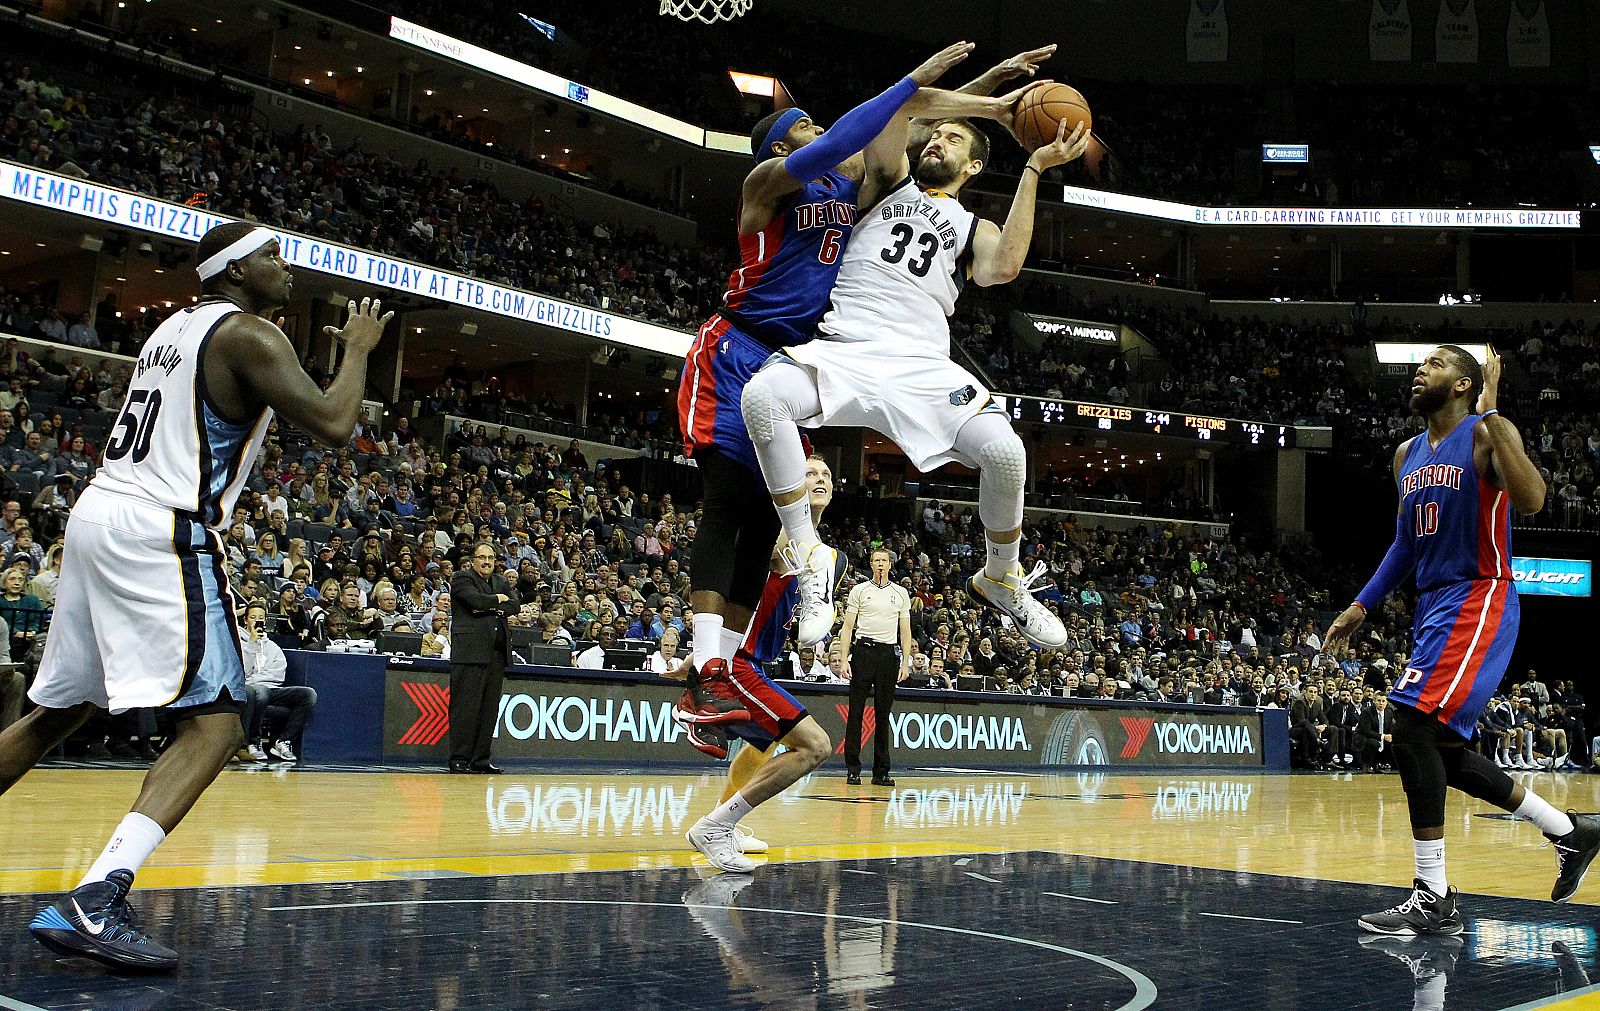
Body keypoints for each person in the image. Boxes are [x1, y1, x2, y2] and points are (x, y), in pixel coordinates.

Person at [0, 221, 390, 971]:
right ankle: (96, 899)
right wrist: (359, 352)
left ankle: (95, 897)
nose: (285, 265)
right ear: (235, 270)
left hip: (98, 513)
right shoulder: (249, 333)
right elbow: (336, 423)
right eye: (271, 254)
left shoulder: (169, 331)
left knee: (58, 713)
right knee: (218, 725)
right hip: (160, 526)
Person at [673, 40, 1038, 727]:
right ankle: (705, 663)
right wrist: (931, 87)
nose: (822, 131)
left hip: (804, 355)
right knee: (725, 502)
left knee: (764, 519)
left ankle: (724, 674)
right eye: (807, 127)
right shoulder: (768, 183)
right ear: (783, 146)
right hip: (737, 346)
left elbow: (908, 123)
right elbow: (863, 129)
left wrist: (985, 95)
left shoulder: (854, 194)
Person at [742, 71, 1088, 652]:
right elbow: (898, 112)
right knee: (762, 397)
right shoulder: (887, 182)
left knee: (1006, 453)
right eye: (937, 134)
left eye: (954, 139)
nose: (938, 141)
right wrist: (985, 101)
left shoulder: (973, 226)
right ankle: (806, 555)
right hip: (847, 346)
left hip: (923, 364)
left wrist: (1033, 168)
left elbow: (1003, 267)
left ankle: (1001, 576)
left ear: (974, 165)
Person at [1325, 344, 1600, 935]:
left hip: (1480, 595)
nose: (1419, 370)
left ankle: (1433, 895)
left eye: (1435, 364)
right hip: (1434, 605)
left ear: (1463, 384)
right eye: (1420, 364)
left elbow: (1533, 500)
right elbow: (1405, 544)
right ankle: (1569, 830)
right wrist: (1360, 605)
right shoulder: (1406, 455)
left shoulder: (1485, 435)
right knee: (1442, 751)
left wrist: (1494, 414)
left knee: (1411, 726)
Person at [678, 456, 841, 871]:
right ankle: (716, 826)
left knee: (761, 745)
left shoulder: (829, 556)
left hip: (757, 660)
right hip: (738, 661)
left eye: (825, 475)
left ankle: (722, 823)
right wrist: (704, 650)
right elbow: (735, 580)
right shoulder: (778, 532)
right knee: (815, 746)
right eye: (809, 472)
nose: (819, 479)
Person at [835, 547, 914, 786]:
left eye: (884, 560)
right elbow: (847, 627)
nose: (880, 564)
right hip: (863, 651)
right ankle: (853, 769)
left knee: (883, 713)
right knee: (856, 712)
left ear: (890, 565)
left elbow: (905, 632)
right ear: (871, 564)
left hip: (888, 654)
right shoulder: (859, 590)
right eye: (876, 560)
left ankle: (881, 771)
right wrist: (844, 658)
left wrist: (905, 662)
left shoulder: (900, 593)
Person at [449, 542, 519, 774]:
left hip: (496, 654)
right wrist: (497, 600)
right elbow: (475, 601)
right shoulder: (461, 578)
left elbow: (515, 606)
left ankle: (480, 760)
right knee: (465, 709)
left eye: (490, 557)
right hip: (470, 652)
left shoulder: (501, 581)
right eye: (482, 557)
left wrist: (490, 605)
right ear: (473, 560)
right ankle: (459, 759)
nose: (487, 562)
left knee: (489, 712)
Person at [237, 602, 316, 763]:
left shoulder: (273, 647)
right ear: (245, 620)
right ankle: (253, 742)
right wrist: (251, 645)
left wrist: (256, 679)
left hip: (271, 689)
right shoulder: (238, 642)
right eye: (253, 617)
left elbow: (278, 675)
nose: (257, 621)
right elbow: (241, 673)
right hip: (248, 691)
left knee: (308, 694)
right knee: (259, 691)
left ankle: (283, 741)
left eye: (261, 618)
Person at [1357, 695, 1395, 773]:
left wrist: (1391, 736)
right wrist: (1383, 736)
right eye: (1379, 700)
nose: (1381, 703)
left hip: (1381, 737)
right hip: (1365, 737)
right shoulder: (1367, 712)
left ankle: (1381, 763)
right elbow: (1366, 731)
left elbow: (1391, 728)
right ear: (1374, 701)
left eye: (1383, 701)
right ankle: (1367, 765)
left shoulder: (1389, 712)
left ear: (1386, 703)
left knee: (1393, 744)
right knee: (1374, 743)